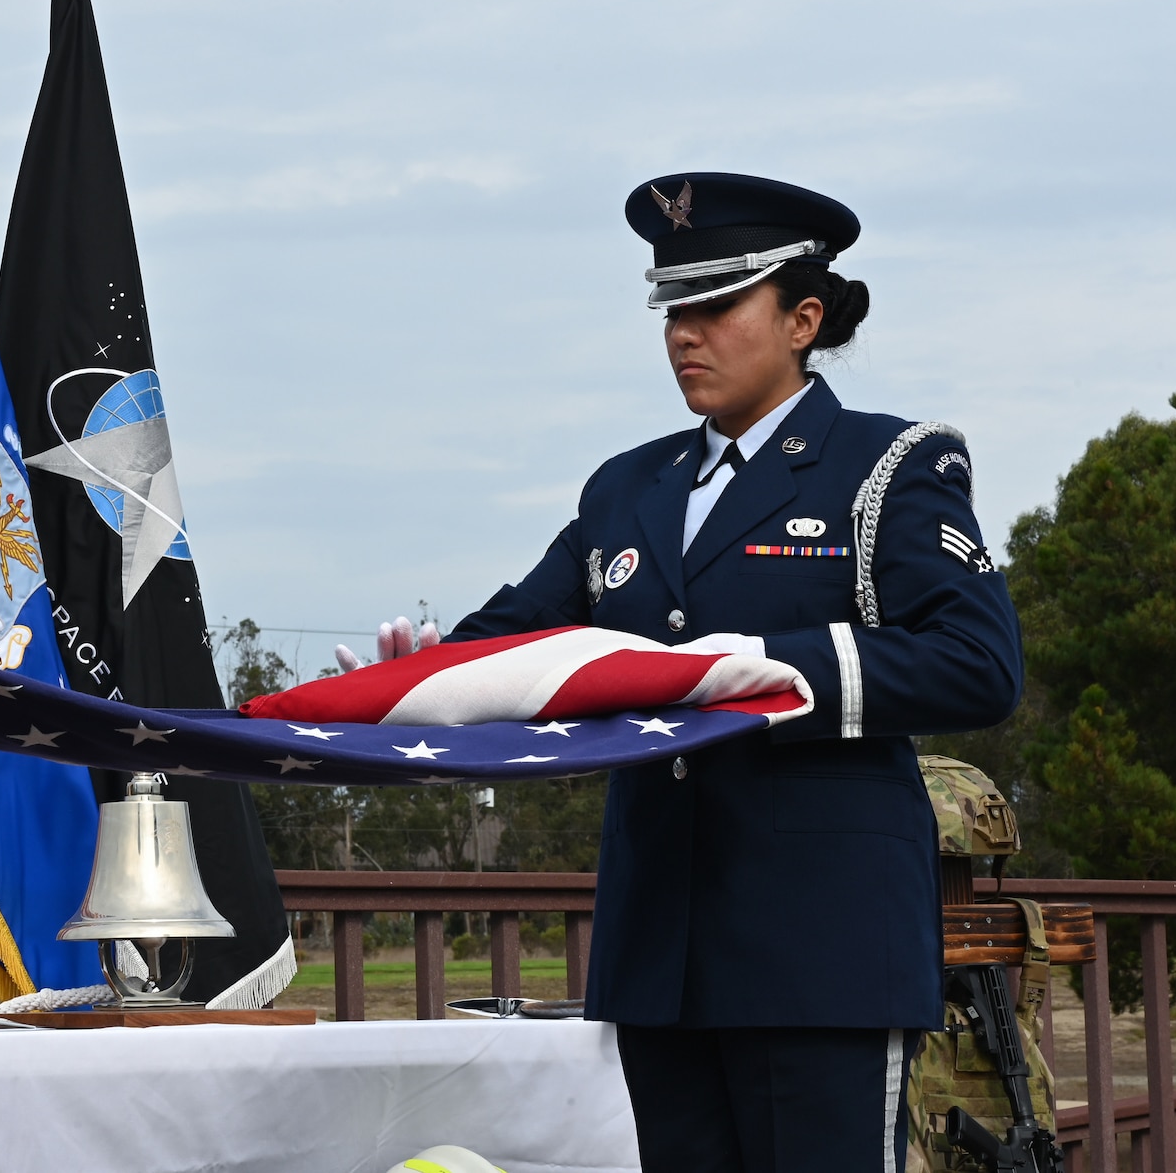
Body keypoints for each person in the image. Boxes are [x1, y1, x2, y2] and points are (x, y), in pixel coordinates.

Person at [340, 172, 1021, 1173]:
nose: (681, 333)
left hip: (817, 948)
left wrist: (771, 668)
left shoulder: (886, 465)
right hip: (660, 949)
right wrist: (417, 682)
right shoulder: (626, 487)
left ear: (802, 316)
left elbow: (977, 661)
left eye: (712, 306)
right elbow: (526, 636)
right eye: (670, 308)